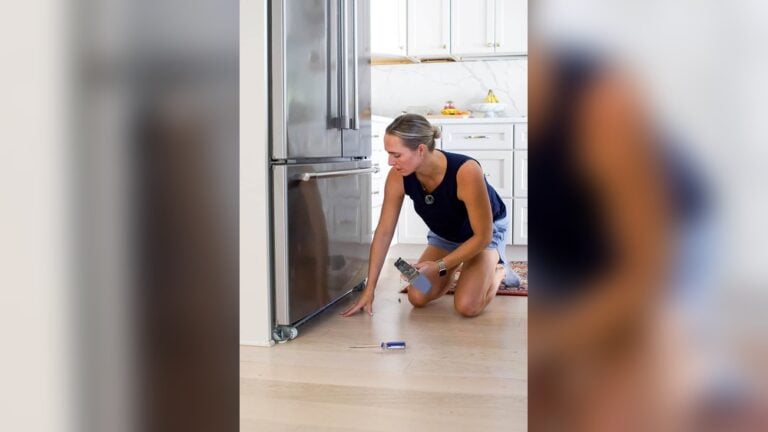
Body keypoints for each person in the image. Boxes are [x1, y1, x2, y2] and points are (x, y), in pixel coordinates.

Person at [341, 114, 519, 318]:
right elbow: (383, 232)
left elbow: (483, 236)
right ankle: (456, 269)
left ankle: (498, 271)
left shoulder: (466, 171)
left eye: (396, 155)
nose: (390, 162)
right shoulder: (398, 176)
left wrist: (440, 265)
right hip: (446, 236)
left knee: (467, 307)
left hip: (481, 236)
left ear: (421, 149)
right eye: (389, 154)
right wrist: (369, 289)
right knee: (417, 295)